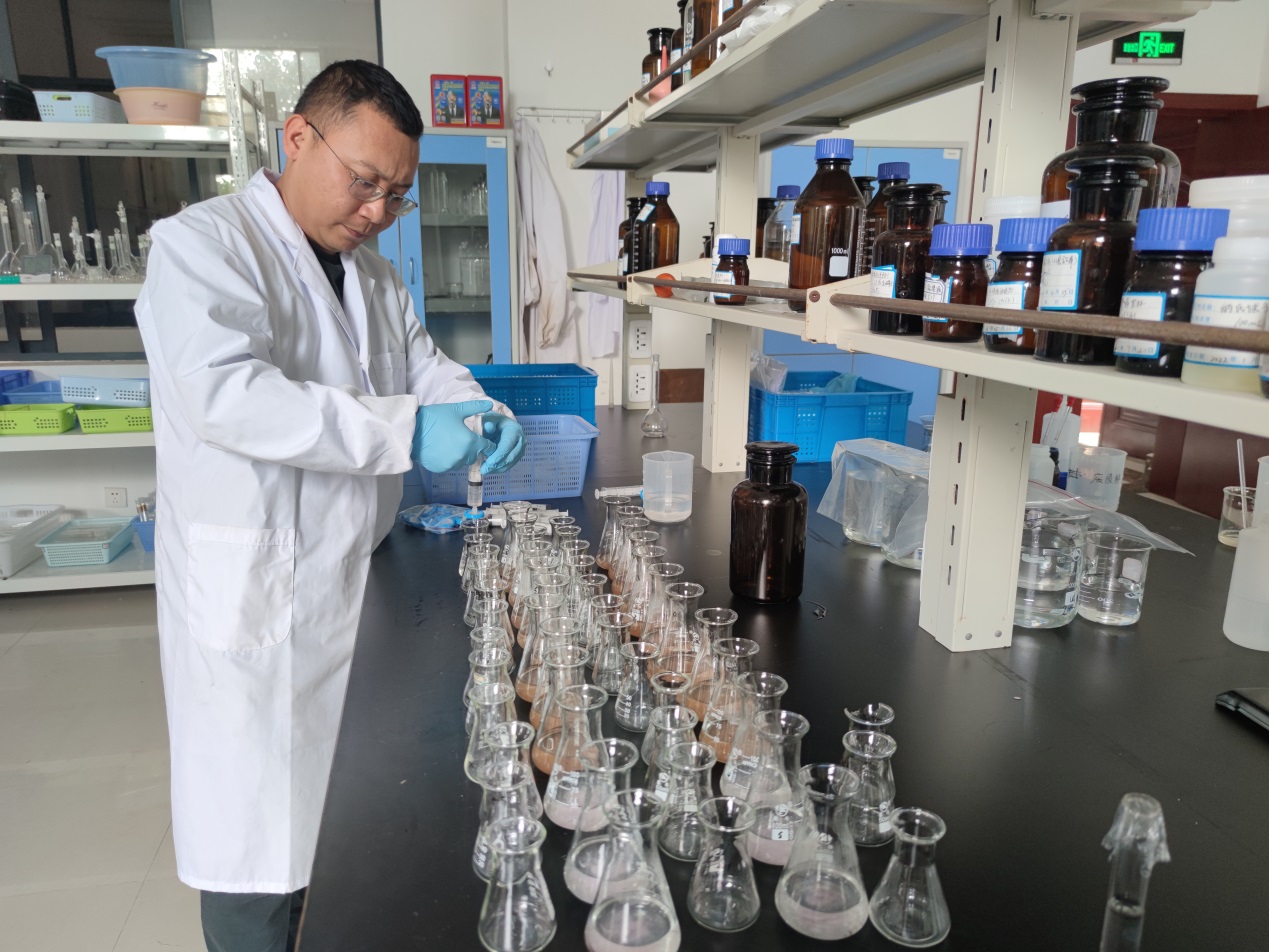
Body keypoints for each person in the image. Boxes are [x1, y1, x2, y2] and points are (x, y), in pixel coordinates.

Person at [134, 60, 525, 952]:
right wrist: (405, 432)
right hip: (257, 593)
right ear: (298, 138)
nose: (378, 210)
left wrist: (478, 409)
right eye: (365, 181)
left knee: (345, 829)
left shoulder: (372, 275)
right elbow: (228, 397)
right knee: (258, 844)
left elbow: (425, 367)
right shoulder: (202, 246)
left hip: (356, 577)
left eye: (397, 195)